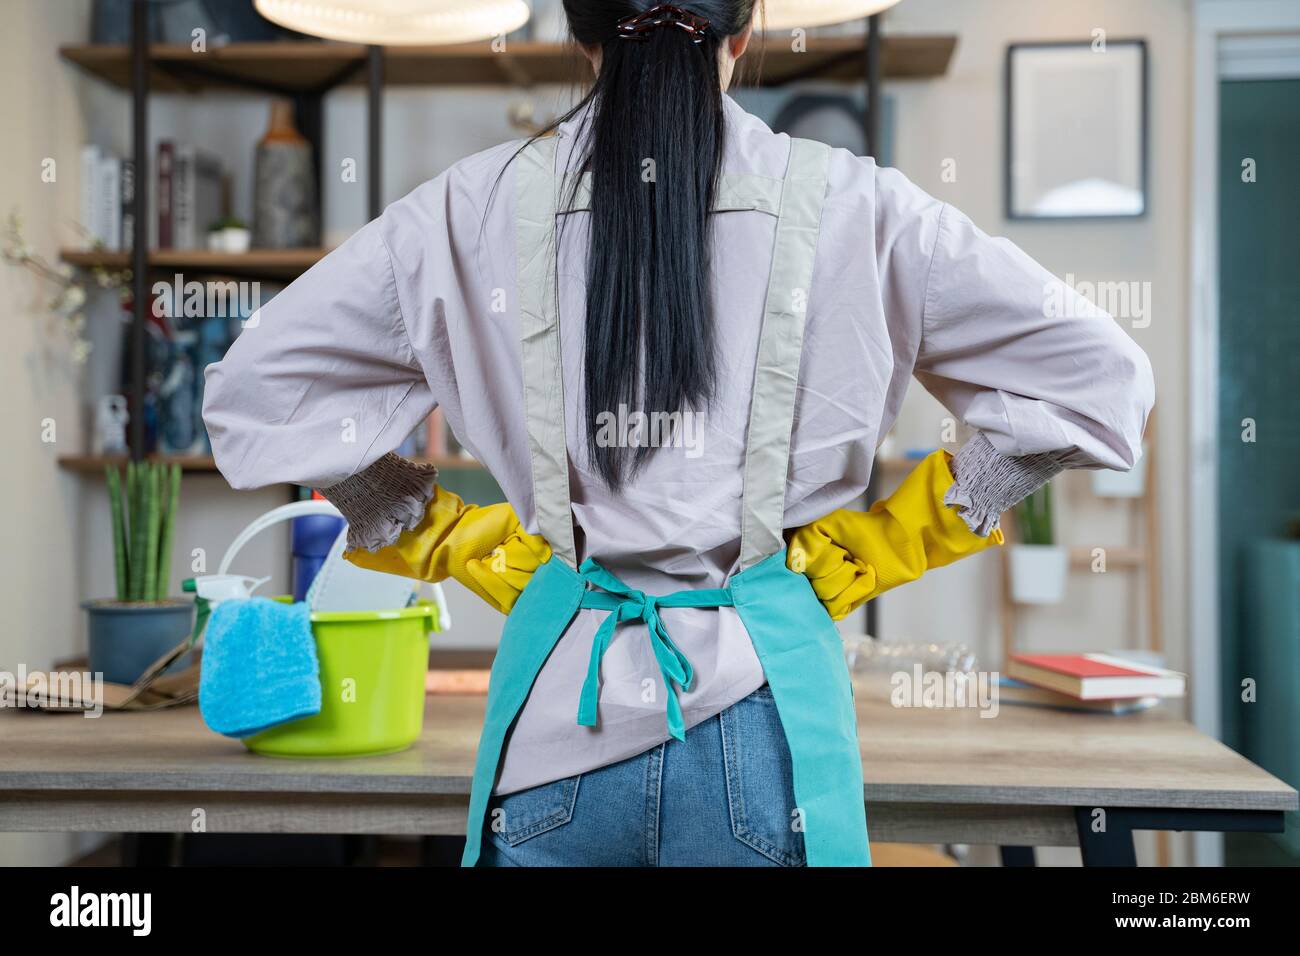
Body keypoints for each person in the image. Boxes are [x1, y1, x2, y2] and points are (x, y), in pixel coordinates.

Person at [203, 1, 1153, 867]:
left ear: (580, 35)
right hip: (764, 729)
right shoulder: (860, 206)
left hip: (553, 730)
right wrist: (894, 541)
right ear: (745, 31)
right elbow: (1100, 380)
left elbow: (258, 394)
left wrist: (446, 535)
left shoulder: (466, 207)